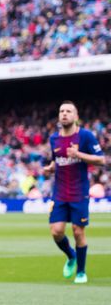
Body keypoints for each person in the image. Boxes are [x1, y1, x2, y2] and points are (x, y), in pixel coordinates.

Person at [43, 101, 106, 284]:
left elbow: (101, 160)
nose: (64, 114)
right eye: (61, 111)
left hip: (79, 192)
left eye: (68, 111)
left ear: (76, 116)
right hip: (60, 192)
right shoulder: (54, 138)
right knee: (56, 231)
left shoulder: (85, 136)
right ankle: (71, 255)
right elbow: (58, 161)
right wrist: (50, 168)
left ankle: (81, 272)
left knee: (78, 232)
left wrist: (79, 155)